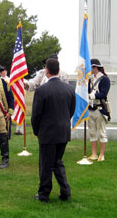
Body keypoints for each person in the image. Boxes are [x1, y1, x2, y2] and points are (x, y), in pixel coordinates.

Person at [31, 58, 75, 202]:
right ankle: (65, 191)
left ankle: (44, 194)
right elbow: (71, 111)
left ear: (47, 70)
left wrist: (37, 130)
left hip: (48, 132)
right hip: (63, 131)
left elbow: (36, 114)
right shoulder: (69, 89)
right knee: (57, 162)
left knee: (46, 165)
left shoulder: (42, 90)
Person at [87, 58, 111, 162]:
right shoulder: (90, 79)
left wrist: (92, 96)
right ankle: (94, 154)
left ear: (95, 67)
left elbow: (103, 94)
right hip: (91, 108)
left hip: (100, 108)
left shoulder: (104, 79)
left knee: (102, 133)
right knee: (92, 132)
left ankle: (101, 155)